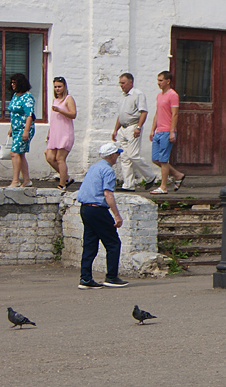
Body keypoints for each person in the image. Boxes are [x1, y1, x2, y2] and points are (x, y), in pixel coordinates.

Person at [75, 142, 129, 289]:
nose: (118, 156)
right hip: (98, 209)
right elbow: (108, 194)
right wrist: (117, 216)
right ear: (111, 155)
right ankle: (111, 277)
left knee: (90, 244)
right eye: (117, 153)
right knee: (113, 243)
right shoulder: (108, 171)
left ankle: (85, 278)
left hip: (85, 208)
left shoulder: (93, 168)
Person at [111, 72, 158, 192]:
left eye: (123, 83)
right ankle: (128, 184)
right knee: (125, 157)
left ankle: (149, 175)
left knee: (133, 155)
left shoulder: (138, 94)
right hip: (123, 128)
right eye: (120, 83)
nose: (121, 85)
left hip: (133, 127)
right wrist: (115, 130)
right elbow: (120, 115)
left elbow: (143, 112)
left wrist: (138, 127)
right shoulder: (123, 97)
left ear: (130, 82)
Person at [150, 71, 187, 195]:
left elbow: (175, 114)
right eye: (158, 80)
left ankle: (163, 187)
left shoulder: (173, 95)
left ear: (168, 81)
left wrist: (172, 131)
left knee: (163, 159)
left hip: (167, 130)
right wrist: (152, 129)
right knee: (155, 159)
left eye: (161, 80)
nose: (158, 83)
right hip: (159, 131)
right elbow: (157, 113)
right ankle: (177, 175)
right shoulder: (159, 95)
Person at [44, 76, 76, 190]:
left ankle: (62, 184)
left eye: (59, 86)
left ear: (64, 87)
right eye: (56, 87)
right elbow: (53, 120)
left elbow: (73, 114)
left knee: (60, 158)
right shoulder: (55, 100)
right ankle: (66, 177)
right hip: (55, 133)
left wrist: (61, 110)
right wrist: (49, 132)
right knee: (49, 156)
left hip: (65, 132)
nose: (57, 89)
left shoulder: (68, 99)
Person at [5, 73, 35, 188]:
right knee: (20, 154)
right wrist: (11, 127)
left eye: (15, 83)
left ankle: (15, 180)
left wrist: (26, 131)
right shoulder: (15, 96)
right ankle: (26, 180)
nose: (12, 85)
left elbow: (29, 115)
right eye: (11, 83)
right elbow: (13, 113)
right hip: (16, 128)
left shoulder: (27, 97)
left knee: (14, 153)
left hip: (24, 128)